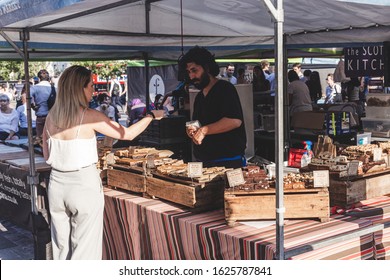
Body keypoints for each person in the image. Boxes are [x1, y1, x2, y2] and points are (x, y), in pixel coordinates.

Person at [42, 65, 163, 260]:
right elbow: (128, 133)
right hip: (83, 184)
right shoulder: (90, 116)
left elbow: (47, 154)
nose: (93, 90)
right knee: (85, 252)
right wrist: (151, 116)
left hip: (56, 184)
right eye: (90, 85)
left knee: (60, 249)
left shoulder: (51, 116)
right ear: (78, 88)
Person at [179, 46, 246, 168]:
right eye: (189, 72)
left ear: (207, 68)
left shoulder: (225, 89)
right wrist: (193, 129)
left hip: (228, 161)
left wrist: (204, 130)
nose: (191, 76)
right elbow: (199, 123)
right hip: (205, 161)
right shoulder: (199, 97)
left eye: (194, 70)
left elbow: (235, 121)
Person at [30, 69, 53, 139]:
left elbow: (28, 97)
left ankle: (42, 149)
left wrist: (33, 106)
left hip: (41, 115)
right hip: (53, 116)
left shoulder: (34, 88)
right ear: (48, 78)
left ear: (39, 78)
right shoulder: (54, 88)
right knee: (51, 137)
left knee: (40, 138)